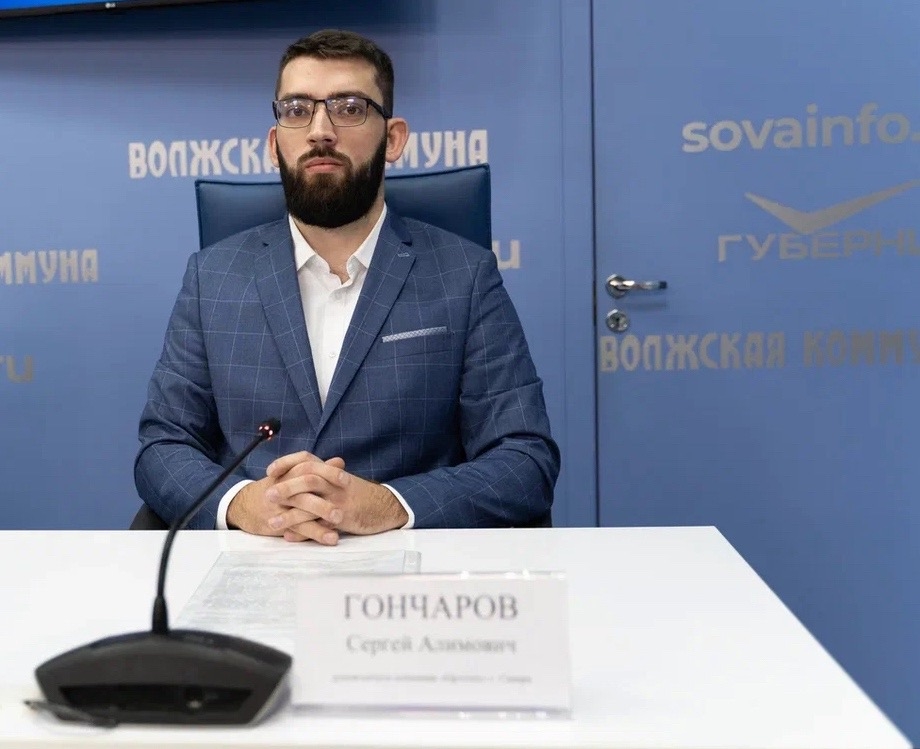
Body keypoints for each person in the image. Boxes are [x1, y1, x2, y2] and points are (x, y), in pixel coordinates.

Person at [134, 29, 559, 544]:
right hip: (256, 556)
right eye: (297, 110)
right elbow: (163, 447)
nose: (320, 131)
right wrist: (244, 503)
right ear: (274, 144)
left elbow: (524, 458)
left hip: (408, 567)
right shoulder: (212, 277)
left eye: (349, 108)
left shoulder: (465, 275)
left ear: (393, 138)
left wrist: (388, 504)